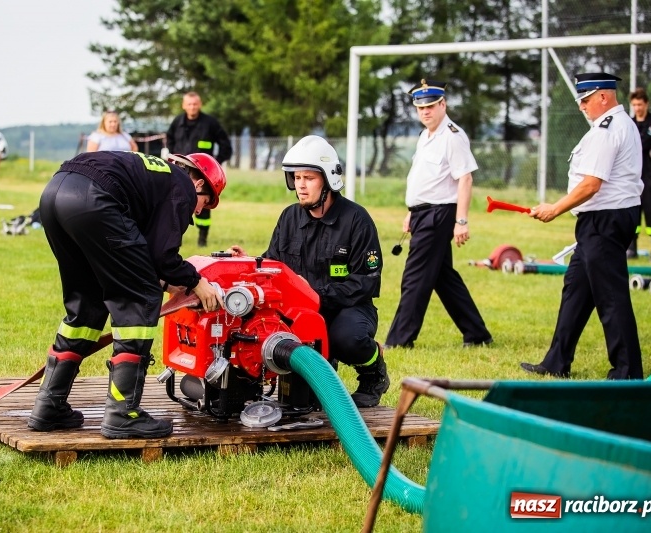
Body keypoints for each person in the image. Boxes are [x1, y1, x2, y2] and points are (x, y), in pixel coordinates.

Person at [28, 150, 226, 439]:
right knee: (141, 299)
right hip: (95, 199)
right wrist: (197, 282)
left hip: (56, 193)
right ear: (199, 185)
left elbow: (140, 252)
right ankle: (123, 414)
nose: (197, 212)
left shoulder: (156, 175)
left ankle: (48, 406)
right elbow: (162, 256)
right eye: (205, 205)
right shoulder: (182, 186)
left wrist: (167, 283)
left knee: (87, 304)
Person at [227, 135, 389, 408]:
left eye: (309, 178)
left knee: (347, 339)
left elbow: (365, 282)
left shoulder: (356, 220)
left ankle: (374, 373)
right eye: (296, 177)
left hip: (346, 308)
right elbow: (273, 265)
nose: (300, 185)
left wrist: (315, 295)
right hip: (297, 312)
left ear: (328, 180)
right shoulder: (289, 217)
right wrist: (250, 262)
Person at [521, 72, 643, 380]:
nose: (581, 106)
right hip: (601, 221)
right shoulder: (617, 125)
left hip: (605, 220)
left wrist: (555, 209)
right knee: (576, 290)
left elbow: (591, 185)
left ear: (603, 96)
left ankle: (628, 372)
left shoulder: (607, 130)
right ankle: (556, 361)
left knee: (611, 298)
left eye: (586, 100)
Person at [383, 79, 492, 350]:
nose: (426, 112)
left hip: (440, 214)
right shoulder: (426, 136)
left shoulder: (452, 136)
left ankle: (399, 341)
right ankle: (477, 334)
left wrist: (462, 220)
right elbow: (426, 179)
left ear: (443, 104)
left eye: (431, 106)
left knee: (415, 277)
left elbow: (465, 179)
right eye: (421, 108)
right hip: (423, 213)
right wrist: (412, 212)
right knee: (444, 278)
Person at [166, 91, 232, 247]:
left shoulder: (210, 123)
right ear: (184, 105)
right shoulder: (177, 122)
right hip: (181, 171)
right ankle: (176, 237)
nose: (192, 107)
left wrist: (216, 161)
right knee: (177, 204)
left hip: (203, 173)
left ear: (200, 105)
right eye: (189, 104)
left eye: (195, 104)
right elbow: (169, 140)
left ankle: (202, 239)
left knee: (203, 203)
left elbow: (226, 144)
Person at [628, 87, 651, 261]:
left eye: (640, 104)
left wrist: (643, 143)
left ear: (646, 104)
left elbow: (643, 142)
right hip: (633, 176)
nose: (637, 108)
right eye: (634, 105)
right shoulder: (629, 123)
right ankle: (631, 249)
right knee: (632, 212)